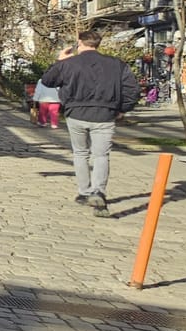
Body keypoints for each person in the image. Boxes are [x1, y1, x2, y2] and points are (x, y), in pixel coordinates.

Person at [40, 29, 142, 214]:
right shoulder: (116, 65)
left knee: (80, 153)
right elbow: (133, 90)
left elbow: (47, 80)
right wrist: (122, 109)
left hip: (76, 113)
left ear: (79, 43)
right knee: (101, 155)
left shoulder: (69, 64)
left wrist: (60, 61)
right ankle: (98, 191)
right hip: (105, 114)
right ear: (98, 43)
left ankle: (84, 192)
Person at [32, 48, 69, 128]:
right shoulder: (59, 80)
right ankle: (54, 124)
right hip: (55, 99)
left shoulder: (41, 80)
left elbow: (38, 90)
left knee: (43, 112)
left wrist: (35, 98)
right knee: (54, 112)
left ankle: (42, 122)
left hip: (43, 99)